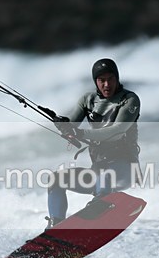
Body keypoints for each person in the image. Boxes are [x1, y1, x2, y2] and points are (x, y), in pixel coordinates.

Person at [46, 58, 141, 229]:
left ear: (117, 78)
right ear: (95, 81)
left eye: (110, 79)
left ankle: (100, 207)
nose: (106, 84)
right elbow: (72, 127)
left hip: (125, 170)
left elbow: (117, 131)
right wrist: (64, 127)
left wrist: (81, 133)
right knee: (56, 179)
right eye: (101, 80)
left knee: (104, 170)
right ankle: (55, 227)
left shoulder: (129, 100)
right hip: (99, 175)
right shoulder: (88, 100)